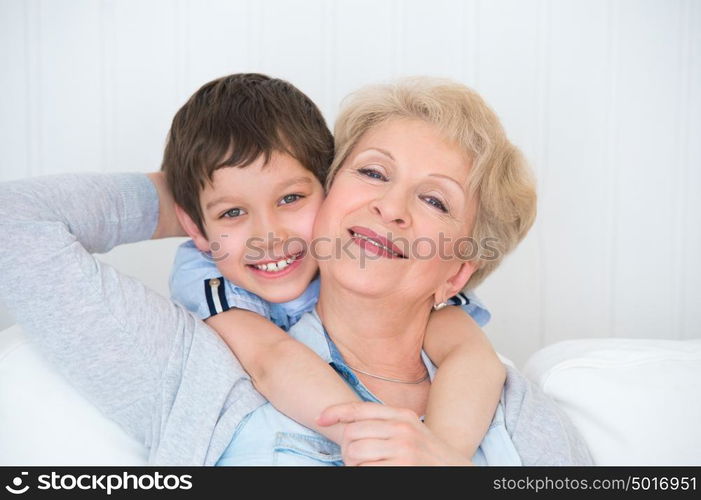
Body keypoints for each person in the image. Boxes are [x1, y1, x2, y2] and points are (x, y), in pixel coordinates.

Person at [0, 78, 592, 465]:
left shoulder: (512, 410)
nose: (391, 207)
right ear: (331, 195)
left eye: (435, 201)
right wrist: (202, 190)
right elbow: (13, 221)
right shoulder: (198, 366)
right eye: (373, 173)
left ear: (457, 276)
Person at [161, 73, 503, 457]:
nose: (269, 235)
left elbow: (474, 358)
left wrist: (440, 457)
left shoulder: (367, 258)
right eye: (233, 211)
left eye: (290, 198)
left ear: (329, 185)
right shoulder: (206, 274)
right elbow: (270, 360)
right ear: (195, 227)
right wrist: (369, 445)